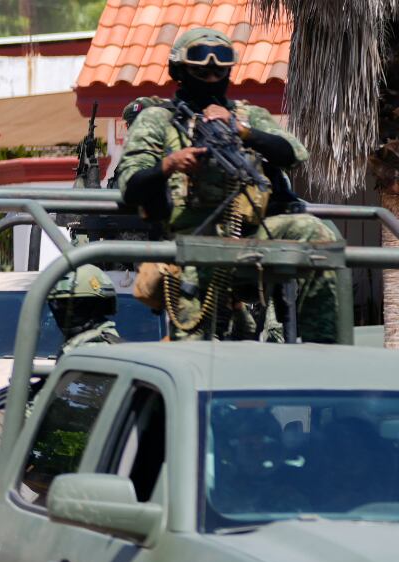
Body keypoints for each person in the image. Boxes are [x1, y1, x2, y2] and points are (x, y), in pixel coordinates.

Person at [113, 27, 342, 343]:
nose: (210, 75)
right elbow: (130, 186)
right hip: (191, 247)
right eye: (201, 67)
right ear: (180, 70)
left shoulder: (246, 115)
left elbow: (295, 154)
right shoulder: (158, 120)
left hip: (249, 238)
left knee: (319, 233)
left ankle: (323, 348)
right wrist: (170, 164)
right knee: (194, 354)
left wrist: (242, 131)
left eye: (219, 68)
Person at [50, 265, 121, 356]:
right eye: (55, 303)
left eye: (68, 303)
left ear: (96, 305)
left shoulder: (91, 353)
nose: (58, 309)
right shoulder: (78, 346)